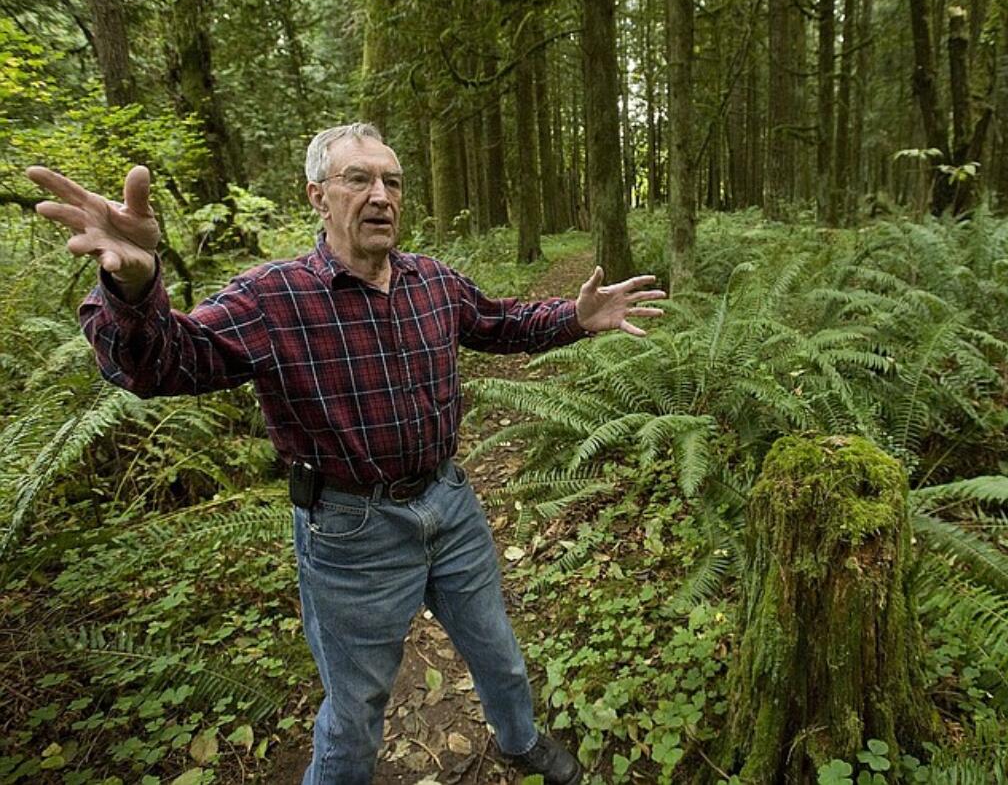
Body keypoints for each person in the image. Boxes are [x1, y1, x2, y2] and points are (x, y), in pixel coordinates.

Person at [26, 122, 666, 785]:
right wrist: (134, 292)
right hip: (349, 533)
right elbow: (163, 366)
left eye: (391, 181)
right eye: (358, 179)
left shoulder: (432, 283)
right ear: (317, 197)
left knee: (498, 652)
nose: (381, 195)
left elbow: (500, 322)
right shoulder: (271, 298)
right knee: (355, 710)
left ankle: (519, 738)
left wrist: (576, 318)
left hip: (449, 505)